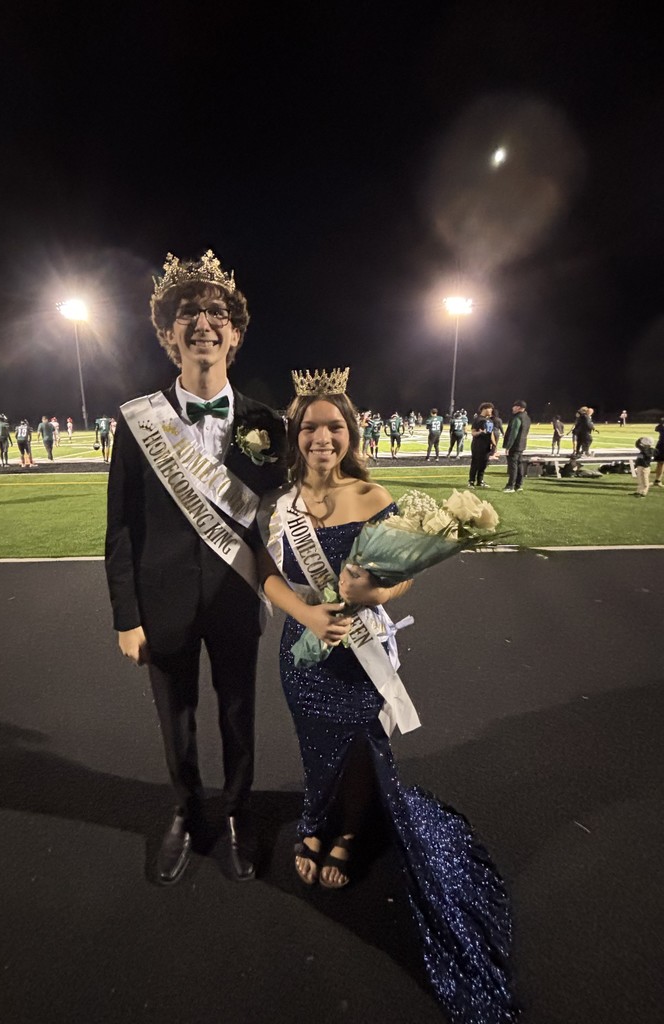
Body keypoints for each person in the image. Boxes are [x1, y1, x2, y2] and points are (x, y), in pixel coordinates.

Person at [258, 370, 518, 1024]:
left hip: (360, 650)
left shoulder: (373, 495)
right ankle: (317, 820)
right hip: (304, 647)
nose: (322, 436)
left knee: (359, 744)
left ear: (350, 435)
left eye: (334, 427)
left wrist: (371, 594)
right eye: (311, 426)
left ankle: (345, 833)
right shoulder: (280, 502)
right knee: (317, 743)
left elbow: (398, 581)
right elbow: (266, 575)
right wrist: (310, 615)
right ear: (297, 434)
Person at [105, 249, 286, 886]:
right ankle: (186, 810)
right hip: (162, 604)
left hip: (238, 598)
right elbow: (120, 529)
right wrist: (127, 617)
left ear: (235, 335)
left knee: (239, 715)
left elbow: (293, 515)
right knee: (174, 720)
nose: (203, 323)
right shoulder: (136, 422)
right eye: (189, 314)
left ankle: (236, 813)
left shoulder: (268, 423)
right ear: (166, 333)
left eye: (216, 314)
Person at [503, 400, 531, 492]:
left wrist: (508, 446)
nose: (512, 408)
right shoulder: (527, 417)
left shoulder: (517, 418)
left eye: (514, 406)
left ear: (518, 407)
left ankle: (510, 485)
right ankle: (519, 485)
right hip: (522, 444)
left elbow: (513, 433)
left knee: (513, 466)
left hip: (515, 445)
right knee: (519, 464)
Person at [469, 402, 496, 488]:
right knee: (475, 463)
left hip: (487, 445)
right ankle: (471, 481)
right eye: (490, 408)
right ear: (484, 409)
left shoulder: (490, 420)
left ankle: (480, 481)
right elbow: (473, 433)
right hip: (478, 445)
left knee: (484, 464)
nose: (491, 410)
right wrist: (480, 432)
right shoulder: (477, 419)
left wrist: (494, 444)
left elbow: (491, 433)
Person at [653, 415, 664, 487]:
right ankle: (657, 480)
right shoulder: (661, 427)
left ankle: (658, 480)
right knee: (660, 463)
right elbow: (656, 428)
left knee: (660, 463)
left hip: (661, 445)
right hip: (662, 446)